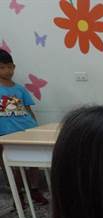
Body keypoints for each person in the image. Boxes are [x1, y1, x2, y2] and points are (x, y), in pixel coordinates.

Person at [0, 48, 48, 205]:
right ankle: (18, 194)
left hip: (27, 130)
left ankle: (34, 190)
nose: (7, 71)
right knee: (11, 167)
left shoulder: (20, 89)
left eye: (9, 66)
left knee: (33, 163)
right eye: (2, 67)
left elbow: (28, 110)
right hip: (5, 136)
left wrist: (36, 130)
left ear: (14, 66)